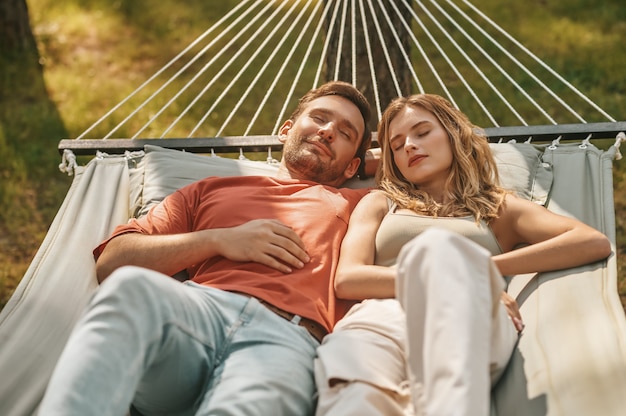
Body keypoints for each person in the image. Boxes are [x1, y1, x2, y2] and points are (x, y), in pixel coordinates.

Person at [38, 81, 374, 416]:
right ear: (285, 130)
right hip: (197, 313)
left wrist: (378, 159)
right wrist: (221, 240)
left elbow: (415, 161)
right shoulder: (208, 190)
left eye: (345, 134)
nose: (328, 131)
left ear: (352, 168)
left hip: (286, 338)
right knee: (131, 288)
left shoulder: (361, 203)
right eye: (318, 118)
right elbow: (113, 263)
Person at [314, 94, 612, 416]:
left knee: (438, 249)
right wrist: (450, 276)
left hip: (470, 312)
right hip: (381, 320)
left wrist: (475, 272)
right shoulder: (380, 202)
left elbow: (589, 241)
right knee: (354, 397)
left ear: (454, 131)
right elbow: (348, 279)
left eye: (422, 132)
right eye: (397, 146)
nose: (409, 146)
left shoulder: (499, 208)